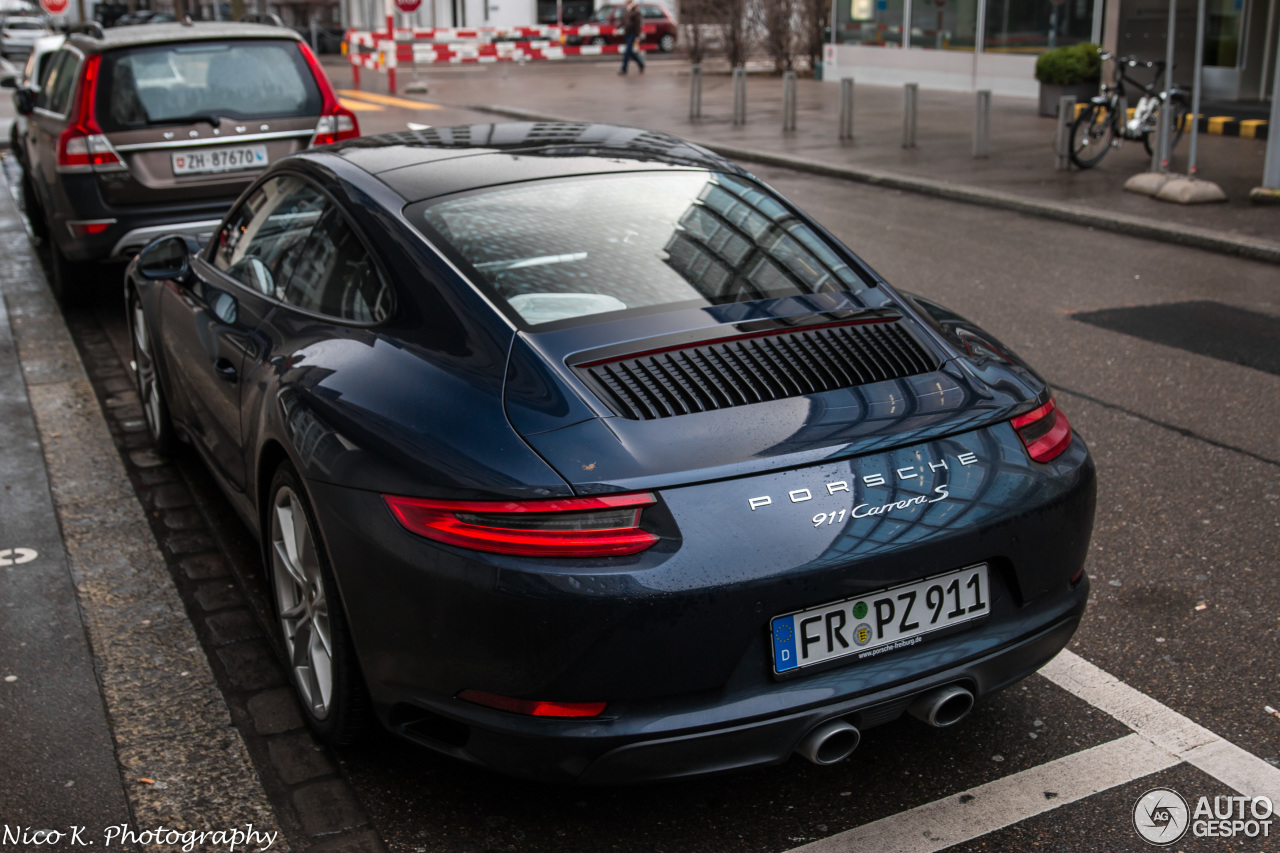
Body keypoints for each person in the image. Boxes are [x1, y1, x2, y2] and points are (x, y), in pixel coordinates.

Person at [618, 0, 644, 75]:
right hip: (627, 33)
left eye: (627, 3)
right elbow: (624, 22)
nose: (626, 5)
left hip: (633, 34)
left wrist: (638, 35)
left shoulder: (636, 12)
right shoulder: (627, 11)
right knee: (630, 52)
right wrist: (617, 28)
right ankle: (640, 64)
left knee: (627, 52)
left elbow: (638, 24)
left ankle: (624, 69)